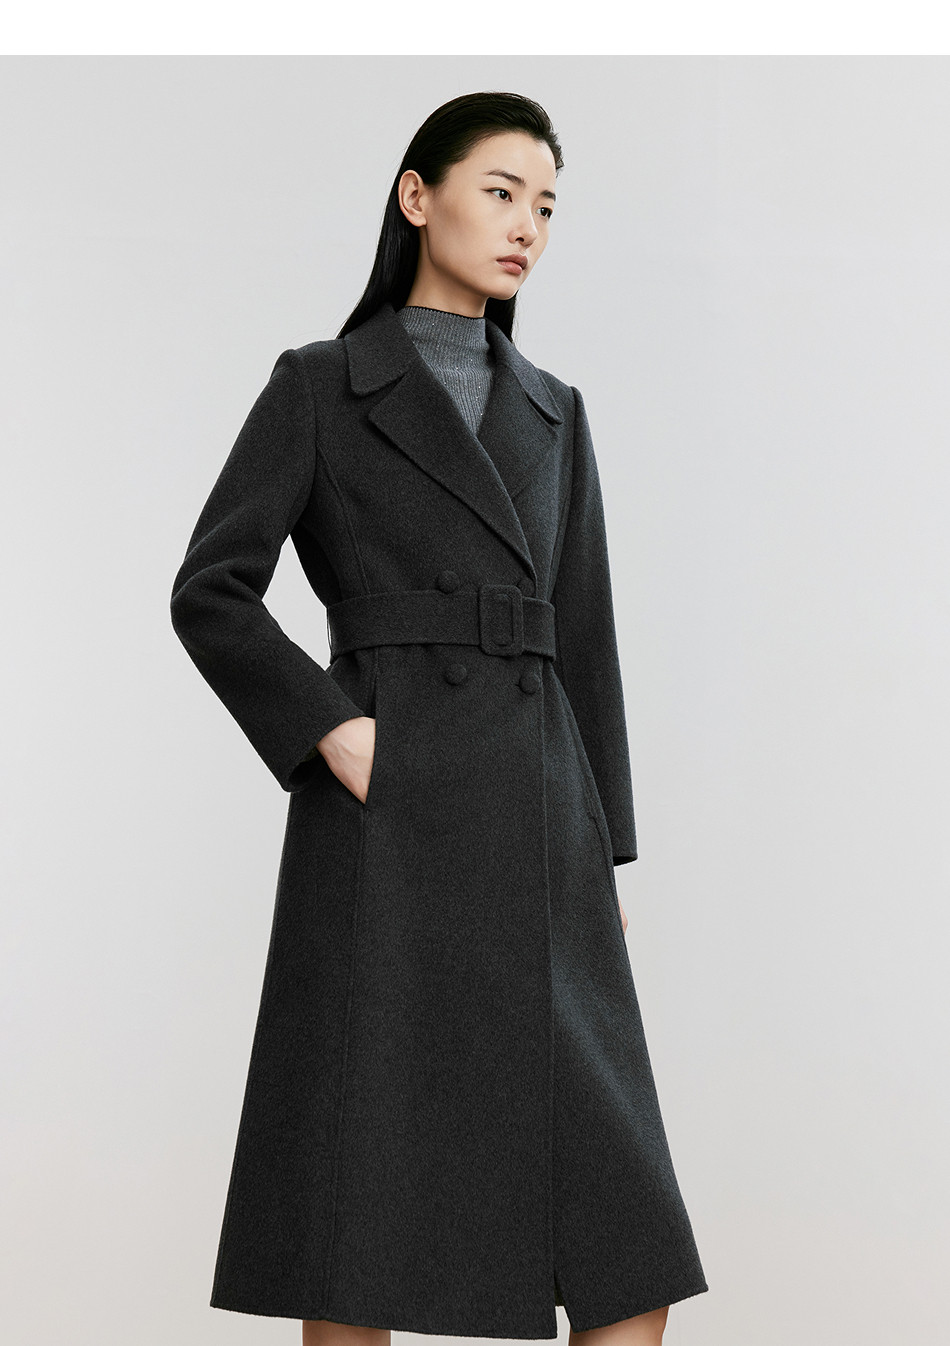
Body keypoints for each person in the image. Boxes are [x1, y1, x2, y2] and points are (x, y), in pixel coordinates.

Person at [170, 90, 709, 1346]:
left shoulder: (555, 408)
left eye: (546, 207)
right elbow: (211, 589)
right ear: (417, 196)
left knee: (624, 1241)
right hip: (387, 819)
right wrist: (334, 730)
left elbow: (583, 640)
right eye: (500, 192)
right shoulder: (320, 385)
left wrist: (599, 848)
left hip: (536, 819)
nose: (525, 227)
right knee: (356, 1217)